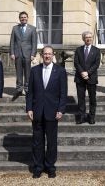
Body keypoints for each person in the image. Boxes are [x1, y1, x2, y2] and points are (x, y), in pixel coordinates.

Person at [26, 46, 67, 179]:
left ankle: (50, 167)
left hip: (52, 111)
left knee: (51, 142)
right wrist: (29, 108)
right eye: (45, 54)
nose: (47, 56)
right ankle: (38, 167)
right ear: (41, 55)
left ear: (53, 55)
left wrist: (61, 109)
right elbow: (30, 92)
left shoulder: (60, 71)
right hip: (37, 111)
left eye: (49, 54)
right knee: (37, 141)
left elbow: (63, 93)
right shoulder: (34, 71)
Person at [74, 31, 100, 124]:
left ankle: (91, 117)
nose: (88, 39)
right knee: (81, 98)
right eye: (86, 37)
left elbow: (96, 64)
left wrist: (87, 73)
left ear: (92, 38)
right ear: (83, 39)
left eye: (90, 37)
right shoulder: (78, 50)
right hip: (79, 78)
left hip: (91, 77)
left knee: (92, 98)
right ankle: (81, 116)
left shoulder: (96, 50)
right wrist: (82, 72)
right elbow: (76, 63)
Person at [10, 11, 37, 97]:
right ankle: (19, 89)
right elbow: (12, 42)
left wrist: (33, 54)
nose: (23, 18)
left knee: (28, 73)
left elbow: (34, 43)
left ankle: (27, 89)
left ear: (27, 18)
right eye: (22, 17)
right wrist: (12, 53)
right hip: (17, 54)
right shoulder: (15, 28)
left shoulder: (32, 29)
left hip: (28, 54)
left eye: (25, 17)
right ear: (19, 19)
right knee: (18, 72)